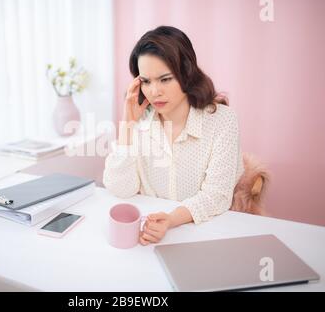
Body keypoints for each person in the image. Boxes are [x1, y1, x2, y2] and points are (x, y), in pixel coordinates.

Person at [103, 26, 244, 245]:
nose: (154, 91)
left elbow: (217, 195)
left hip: (202, 234)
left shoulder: (222, 120)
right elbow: (121, 189)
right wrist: (127, 126)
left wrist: (171, 220)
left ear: (186, 73)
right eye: (146, 81)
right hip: (145, 238)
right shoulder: (140, 119)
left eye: (165, 79)